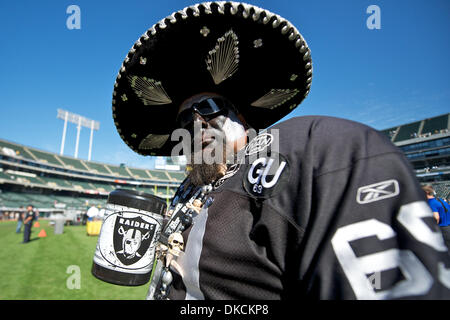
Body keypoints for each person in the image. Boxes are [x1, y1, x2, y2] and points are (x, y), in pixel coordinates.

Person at [111, 2, 450, 299]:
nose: (196, 124)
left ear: (242, 118)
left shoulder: (293, 155)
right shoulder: (190, 189)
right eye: (184, 119)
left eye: (209, 107)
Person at [423, 185, 450, 250]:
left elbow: (436, 217)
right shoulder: (440, 200)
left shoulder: (431, 202)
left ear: (426, 192)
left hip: (443, 230)